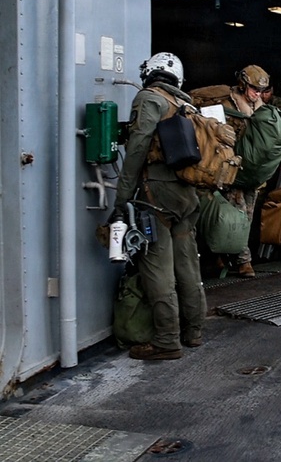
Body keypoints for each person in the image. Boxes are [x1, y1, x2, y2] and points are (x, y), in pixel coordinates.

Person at [112, 52, 207, 360]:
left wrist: (122, 197)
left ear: (149, 73)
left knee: (157, 266)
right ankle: (193, 331)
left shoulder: (149, 99)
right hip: (187, 194)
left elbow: (138, 147)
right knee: (187, 263)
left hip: (157, 195)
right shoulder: (186, 105)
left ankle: (166, 340)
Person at [191, 65, 281, 277]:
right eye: (254, 89)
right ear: (243, 84)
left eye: (260, 90)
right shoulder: (224, 101)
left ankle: (226, 257)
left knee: (245, 215)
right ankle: (240, 261)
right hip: (230, 167)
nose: (257, 94)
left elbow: (265, 140)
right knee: (233, 214)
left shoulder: (259, 106)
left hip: (253, 172)